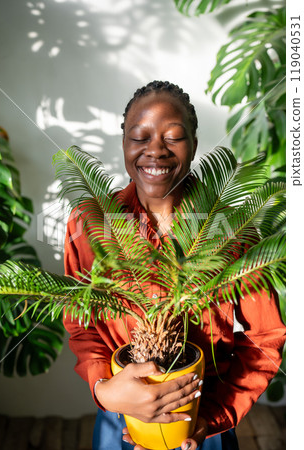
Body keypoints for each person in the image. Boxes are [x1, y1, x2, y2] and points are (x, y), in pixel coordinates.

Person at [63, 81, 286, 450]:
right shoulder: (91, 223)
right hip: (121, 421)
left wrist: (215, 415)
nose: (155, 150)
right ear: (123, 144)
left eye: (173, 137)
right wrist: (106, 391)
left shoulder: (230, 228)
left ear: (194, 145)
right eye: (140, 137)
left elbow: (265, 336)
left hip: (201, 418)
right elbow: (82, 324)